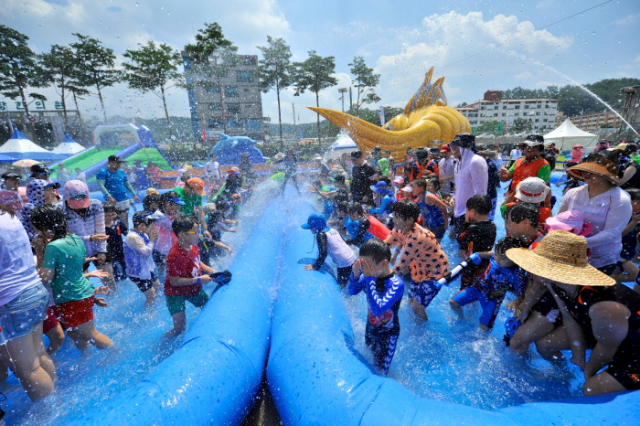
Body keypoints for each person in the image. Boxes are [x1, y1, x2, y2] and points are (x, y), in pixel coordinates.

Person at [505, 230, 640, 396]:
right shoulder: (558, 284)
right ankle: (563, 374)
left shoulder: (601, 304)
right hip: (606, 334)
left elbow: (607, 347)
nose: (531, 270)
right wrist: (578, 356)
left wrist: (589, 371)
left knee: (591, 388)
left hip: (633, 352)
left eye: (537, 265)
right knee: (545, 344)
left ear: (553, 270)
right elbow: (570, 319)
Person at [32, 205, 113, 353]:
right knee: (75, 333)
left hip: (71, 297)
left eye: (36, 229)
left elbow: (46, 277)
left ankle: (117, 353)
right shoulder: (75, 238)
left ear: (44, 227)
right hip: (81, 292)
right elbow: (73, 269)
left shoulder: (53, 247)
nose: (35, 233)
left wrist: (38, 252)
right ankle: (85, 356)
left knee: (91, 334)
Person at [0, 203, 55, 401]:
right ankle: (55, 397)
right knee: (39, 354)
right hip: (35, 291)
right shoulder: (8, 215)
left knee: (28, 369)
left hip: (13, 301)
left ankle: (49, 415)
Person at [559, 154, 632, 273]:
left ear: (607, 174)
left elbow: (611, 233)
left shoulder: (619, 199)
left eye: (592, 171)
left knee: (588, 290)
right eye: (584, 171)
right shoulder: (573, 193)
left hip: (600, 259)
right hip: (569, 255)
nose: (585, 175)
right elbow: (560, 220)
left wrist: (580, 243)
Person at [164, 216, 231, 338]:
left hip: (192, 288)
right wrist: (199, 279)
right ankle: (160, 345)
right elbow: (174, 281)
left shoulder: (193, 245)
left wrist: (210, 270)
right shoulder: (174, 255)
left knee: (210, 310)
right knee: (179, 328)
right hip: (175, 293)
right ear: (182, 235)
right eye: (195, 232)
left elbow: (197, 261)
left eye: (199, 231)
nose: (198, 235)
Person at [384, 199, 449, 320]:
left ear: (409, 220)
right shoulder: (399, 228)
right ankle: (418, 323)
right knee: (411, 300)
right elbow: (385, 245)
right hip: (418, 270)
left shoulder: (416, 237)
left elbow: (401, 266)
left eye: (397, 217)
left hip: (435, 273)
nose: (394, 219)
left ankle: (424, 331)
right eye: (394, 215)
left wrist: (382, 281)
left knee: (417, 307)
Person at [348, 238, 404, 375]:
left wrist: (369, 279)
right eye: (363, 264)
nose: (365, 269)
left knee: (381, 371)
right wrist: (355, 274)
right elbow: (351, 291)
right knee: (369, 357)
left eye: (368, 265)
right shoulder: (369, 276)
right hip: (371, 327)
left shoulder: (395, 284)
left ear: (384, 263)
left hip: (387, 334)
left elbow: (377, 309)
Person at [450, 237, 526, 330]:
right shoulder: (495, 257)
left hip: (493, 300)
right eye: (497, 254)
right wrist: (477, 254)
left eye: (502, 258)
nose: (497, 258)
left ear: (515, 259)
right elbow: (490, 254)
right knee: (453, 302)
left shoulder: (516, 274)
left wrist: (516, 301)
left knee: (485, 327)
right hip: (477, 289)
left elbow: (522, 294)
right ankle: (461, 317)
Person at [58, 180, 116, 291]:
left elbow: (101, 230)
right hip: (76, 252)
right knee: (84, 285)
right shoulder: (60, 210)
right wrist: (89, 238)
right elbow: (64, 237)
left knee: (109, 280)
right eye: (75, 202)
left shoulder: (95, 205)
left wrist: (102, 251)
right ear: (66, 197)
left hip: (98, 247)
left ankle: (114, 299)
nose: (79, 206)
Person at [302, 212, 357, 288]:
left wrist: (315, 266)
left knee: (341, 286)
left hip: (344, 263)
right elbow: (342, 242)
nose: (310, 229)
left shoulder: (321, 235)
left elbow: (323, 253)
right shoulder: (332, 230)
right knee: (353, 280)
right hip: (352, 256)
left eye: (311, 227)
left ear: (317, 226)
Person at [450, 133, 488, 241]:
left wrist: (473, 215)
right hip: (459, 211)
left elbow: (481, 192)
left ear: (464, 147)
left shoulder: (476, 161)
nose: (453, 150)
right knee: (459, 244)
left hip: (471, 214)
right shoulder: (459, 162)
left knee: (468, 249)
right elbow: (460, 186)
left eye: (456, 147)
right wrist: (454, 198)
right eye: (452, 146)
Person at [456, 195, 497, 290]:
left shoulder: (473, 228)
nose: (466, 213)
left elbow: (460, 239)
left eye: (467, 211)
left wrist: (466, 221)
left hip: (472, 264)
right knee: (478, 287)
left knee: (465, 289)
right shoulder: (492, 226)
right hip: (485, 264)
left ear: (473, 212)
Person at [124, 211, 161, 308]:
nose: (153, 228)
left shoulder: (142, 234)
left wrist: (154, 239)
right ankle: (148, 314)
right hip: (137, 273)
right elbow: (146, 253)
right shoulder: (133, 237)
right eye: (151, 226)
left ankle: (153, 305)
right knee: (151, 295)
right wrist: (152, 239)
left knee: (157, 285)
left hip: (145, 269)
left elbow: (151, 249)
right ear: (142, 225)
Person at [96, 155, 140, 225]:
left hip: (125, 198)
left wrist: (134, 194)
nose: (119, 165)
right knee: (114, 218)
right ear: (110, 162)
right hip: (113, 200)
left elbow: (127, 185)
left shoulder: (121, 172)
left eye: (120, 163)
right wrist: (109, 196)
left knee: (125, 218)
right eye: (117, 163)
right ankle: (115, 233)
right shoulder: (103, 172)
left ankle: (126, 232)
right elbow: (101, 185)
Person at [153, 191, 185, 280]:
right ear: (165, 203)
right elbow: (172, 227)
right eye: (173, 205)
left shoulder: (169, 211)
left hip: (169, 244)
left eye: (177, 205)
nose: (176, 207)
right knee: (164, 266)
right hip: (161, 247)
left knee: (170, 265)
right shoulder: (158, 215)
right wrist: (178, 218)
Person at [102, 202, 128, 287]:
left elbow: (126, 234)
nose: (109, 217)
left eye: (112, 215)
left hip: (120, 250)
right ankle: (116, 283)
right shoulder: (100, 227)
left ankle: (125, 280)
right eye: (107, 215)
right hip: (109, 252)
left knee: (124, 267)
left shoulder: (118, 223)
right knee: (114, 270)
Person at [478, 150, 500, 221]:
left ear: (482, 154)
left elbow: (490, 182)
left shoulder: (489, 165)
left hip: (489, 194)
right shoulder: (487, 163)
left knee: (487, 218)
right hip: (491, 193)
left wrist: (484, 194)